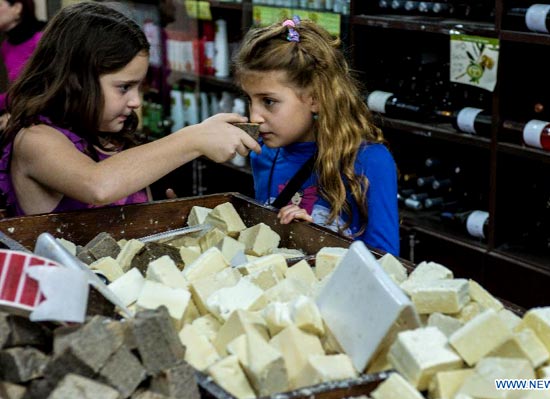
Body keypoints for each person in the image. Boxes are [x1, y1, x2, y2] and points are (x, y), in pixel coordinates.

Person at [0, 2, 260, 216]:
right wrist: (194, 138)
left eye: (138, 88)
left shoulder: (109, 138)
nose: (136, 101)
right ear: (75, 81)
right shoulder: (34, 140)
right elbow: (98, 185)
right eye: (124, 88)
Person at [234, 17, 400, 255]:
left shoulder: (370, 161)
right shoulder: (264, 154)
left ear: (316, 98)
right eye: (250, 100)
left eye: (269, 101)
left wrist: (317, 239)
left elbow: (387, 262)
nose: (255, 117)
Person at [0, 0, 44, 126]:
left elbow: (45, 89)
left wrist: (15, 115)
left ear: (17, 8)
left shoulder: (41, 39)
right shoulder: (6, 47)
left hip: (42, 116)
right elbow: (17, 92)